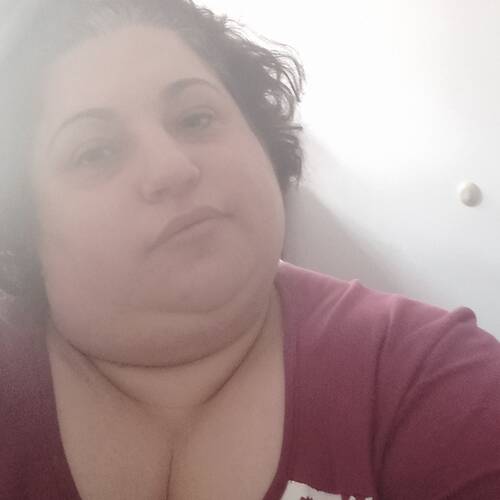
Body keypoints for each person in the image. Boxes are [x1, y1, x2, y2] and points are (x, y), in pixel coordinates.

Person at [0, 1, 498, 499]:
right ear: (22, 217)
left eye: (196, 118)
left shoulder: (427, 373)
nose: (172, 168)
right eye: (95, 152)